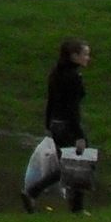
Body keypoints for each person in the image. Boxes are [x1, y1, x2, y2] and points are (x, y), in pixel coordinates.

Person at [24, 38, 93, 212]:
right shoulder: (74, 77)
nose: (87, 58)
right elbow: (72, 108)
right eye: (85, 54)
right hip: (68, 126)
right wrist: (79, 135)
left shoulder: (55, 74)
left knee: (70, 164)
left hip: (56, 124)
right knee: (76, 163)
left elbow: (51, 102)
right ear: (74, 56)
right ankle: (35, 192)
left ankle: (36, 193)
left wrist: (48, 123)